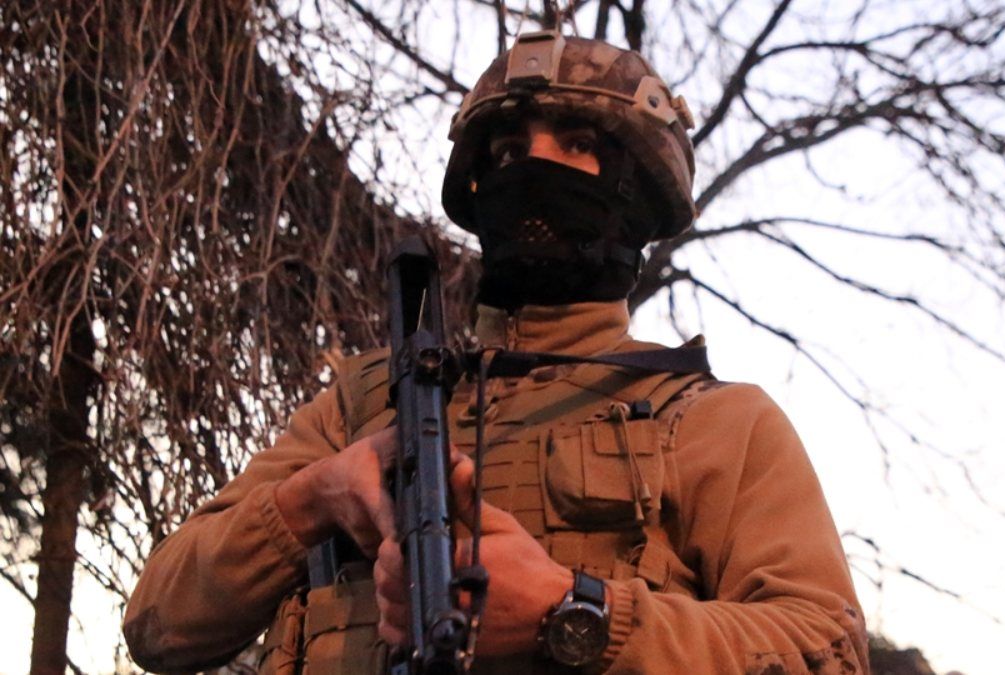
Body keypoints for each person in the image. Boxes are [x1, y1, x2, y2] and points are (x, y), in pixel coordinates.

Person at [124, 31, 870, 674]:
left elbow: (828, 649)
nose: (532, 170)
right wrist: (311, 498)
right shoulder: (361, 407)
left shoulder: (713, 420)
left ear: (635, 191)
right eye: (510, 151)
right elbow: (159, 624)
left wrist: (576, 614)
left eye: (577, 145)